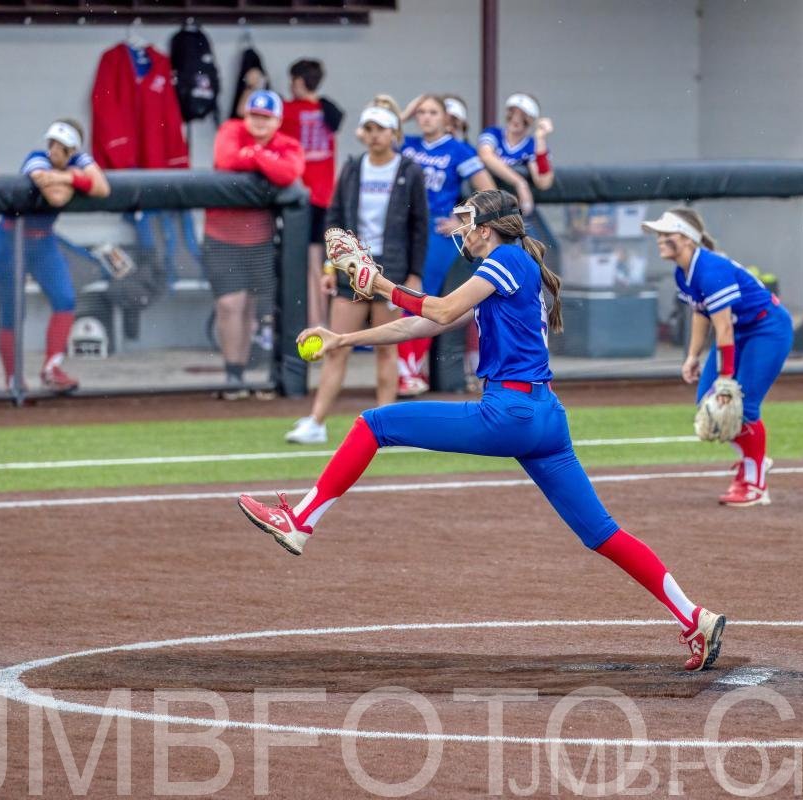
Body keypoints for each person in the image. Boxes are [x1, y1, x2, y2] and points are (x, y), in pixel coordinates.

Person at [239, 189, 726, 672]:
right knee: (602, 533)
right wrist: (344, 338)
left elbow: (441, 310)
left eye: (467, 221)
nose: (461, 230)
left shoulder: (506, 259)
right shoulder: (507, 267)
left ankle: (300, 522)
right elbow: (423, 324)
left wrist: (380, 284)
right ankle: (693, 617)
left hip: (510, 413)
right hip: (544, 417)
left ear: (488, 229)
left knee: (374, 424)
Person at [284, 97, 429, 444]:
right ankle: (316, 422)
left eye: (381, 129)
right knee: (336, 346)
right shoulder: (352, 168)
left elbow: (419, 226)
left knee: (386, 348)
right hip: (351, 268)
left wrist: (413, 273)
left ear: (394, 133)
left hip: (390, 270)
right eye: (369, 129)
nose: (375, 135)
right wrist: (330, 265)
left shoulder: (409, 171)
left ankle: (385, 426)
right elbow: (334, 219)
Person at [644, 208, 793, 507]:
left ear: (687, 239)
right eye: (659, 234)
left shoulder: (710, 270)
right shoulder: (683, 272)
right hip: (738, 331)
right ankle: (754, 458)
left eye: (667, 234)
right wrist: (692, 356)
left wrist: (726, 380)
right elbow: (701, 314)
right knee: (708, 402)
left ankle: (755, 484)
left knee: (742, 406)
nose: (660, 239)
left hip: (767, 329)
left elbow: (723, 327)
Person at [0, 119, 110, 393]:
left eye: (62, 146)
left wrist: (67, 177)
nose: (54, 149)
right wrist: (75, 180)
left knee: (65, 299)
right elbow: (55, 196)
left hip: (42, 241)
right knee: (12, 312)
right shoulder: (37, 158)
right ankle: (13, 379)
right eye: (52, 143)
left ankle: (51, 369)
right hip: (10, 241)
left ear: (72, 150)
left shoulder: (78, 160)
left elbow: (103, 188)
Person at [204, 90, 305, 399]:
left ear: (278, 121)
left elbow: (289, 173)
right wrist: (264, 159)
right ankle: (232, 376)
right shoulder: (230, 130)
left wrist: (254, 155)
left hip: (260, 241)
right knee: (229, 305)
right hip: (221, 237)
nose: (259, 122)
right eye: (254, 116)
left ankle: (247, 374)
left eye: (266, 117)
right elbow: (226, 159)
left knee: (252, 308)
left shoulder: (288, 144)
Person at [396, 94, 495, 396]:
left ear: (445, 118)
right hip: (402, 229)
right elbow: (377, 132)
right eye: (422, 112)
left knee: (419, 298)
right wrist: (405, 113)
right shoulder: (407, 144)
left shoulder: (458, 150)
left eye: (432, 112)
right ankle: (407, 372)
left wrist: (462, 221)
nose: (426, 117)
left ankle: (410, 373)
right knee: (396, 298)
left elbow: (488, 191)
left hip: (435, 232)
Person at [280, 59, 345, 330]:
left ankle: (315, 326)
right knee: (320, 265)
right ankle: (322, 323)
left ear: (298, 81)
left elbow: (244, 114)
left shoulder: (289, 111)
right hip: (326, 198)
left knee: (308, 267)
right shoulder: (328, 111)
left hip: (304, 199)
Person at [476, 93, 555, 218]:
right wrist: (520, 183)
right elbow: (486, 155)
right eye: (512, 112)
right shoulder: (494, 133)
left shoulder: (532, 145)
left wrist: (540, 138)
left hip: (517, 211)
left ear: (531, 120)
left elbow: (543, 182)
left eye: (523, 115)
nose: (516, 119)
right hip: (487, 207)